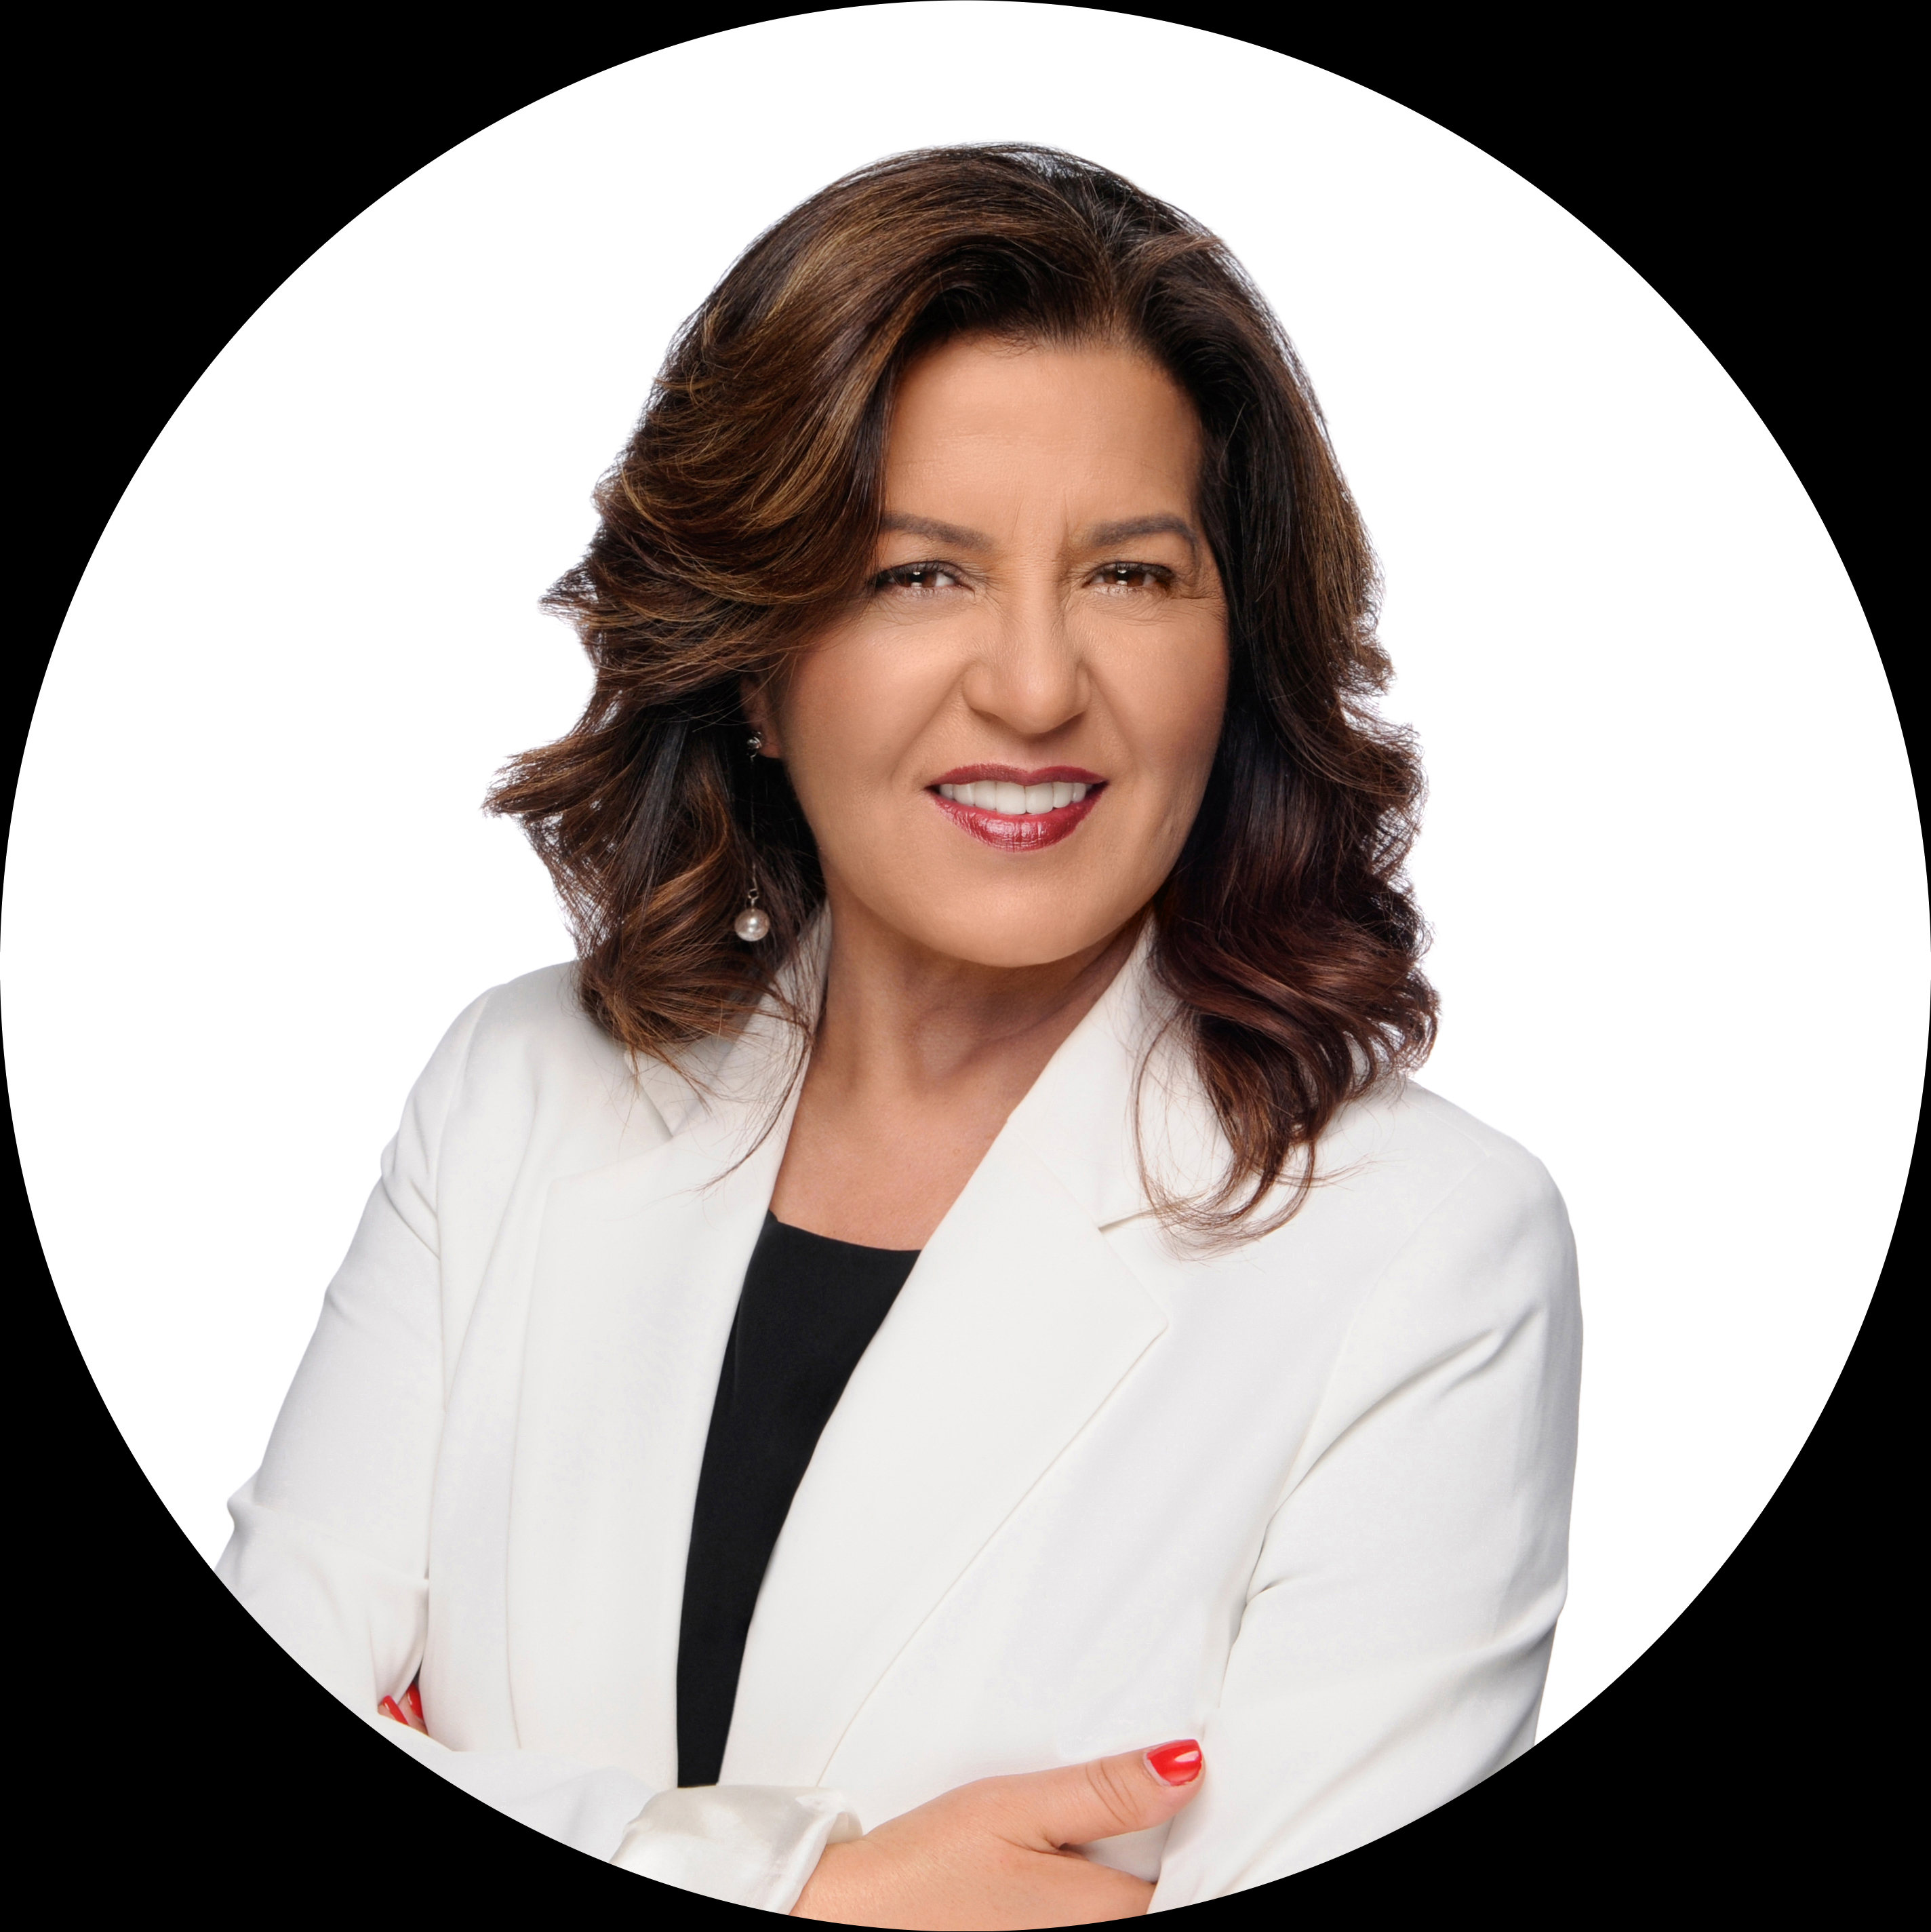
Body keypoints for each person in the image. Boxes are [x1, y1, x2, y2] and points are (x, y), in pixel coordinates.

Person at [219, 144, 1580, 1920]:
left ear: (1237, 650)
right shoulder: (516, 1096)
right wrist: (813, 1889)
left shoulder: (1428, 1252)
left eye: (1133, 576)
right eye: (918, 575)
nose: (1034, 686)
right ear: (754, 662)